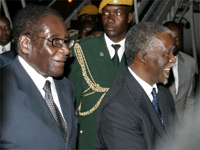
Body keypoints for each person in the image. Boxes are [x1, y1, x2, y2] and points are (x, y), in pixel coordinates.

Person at [0, 4, 77, 150]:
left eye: (66, 41)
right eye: (55, 41)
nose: (66, 50)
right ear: (25, 44)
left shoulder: (67, 87)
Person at [95, 22, 178, 149]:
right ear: (143, 57)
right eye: (167, 53)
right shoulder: (117, 109)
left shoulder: (163, 93)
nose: (173, 59)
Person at [67, 0, 133, 149]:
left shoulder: (139, 51)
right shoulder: (83, 50)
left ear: (129, 17)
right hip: (89, 138)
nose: (110, 19)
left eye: (117, 13)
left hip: (127, 138)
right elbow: (71, 101)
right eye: (105, 13)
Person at [163, 21, 198, 123]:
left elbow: (189, 99)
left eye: (177, 39)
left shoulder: (190, 63)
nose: (173, 43)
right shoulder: (152, 62)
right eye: (169, 38)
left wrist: (185, 131)